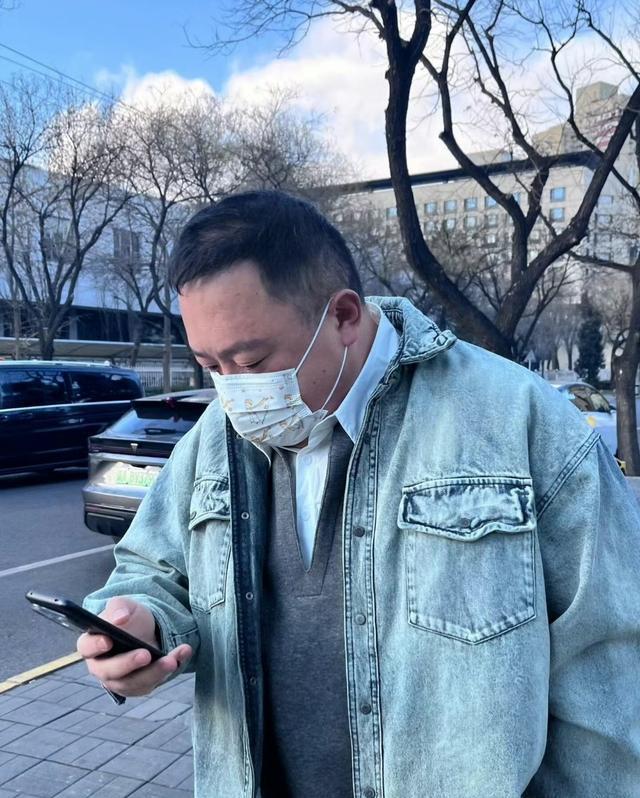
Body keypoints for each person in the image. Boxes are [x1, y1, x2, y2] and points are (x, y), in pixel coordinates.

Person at [78, 190, 640, 798]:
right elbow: (152, 568)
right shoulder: (215, 436)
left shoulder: (516, 418)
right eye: (211, 366)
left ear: (344, 315)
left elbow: (609, 669)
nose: (233, 392)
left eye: (252, 360)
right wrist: (141, 624)